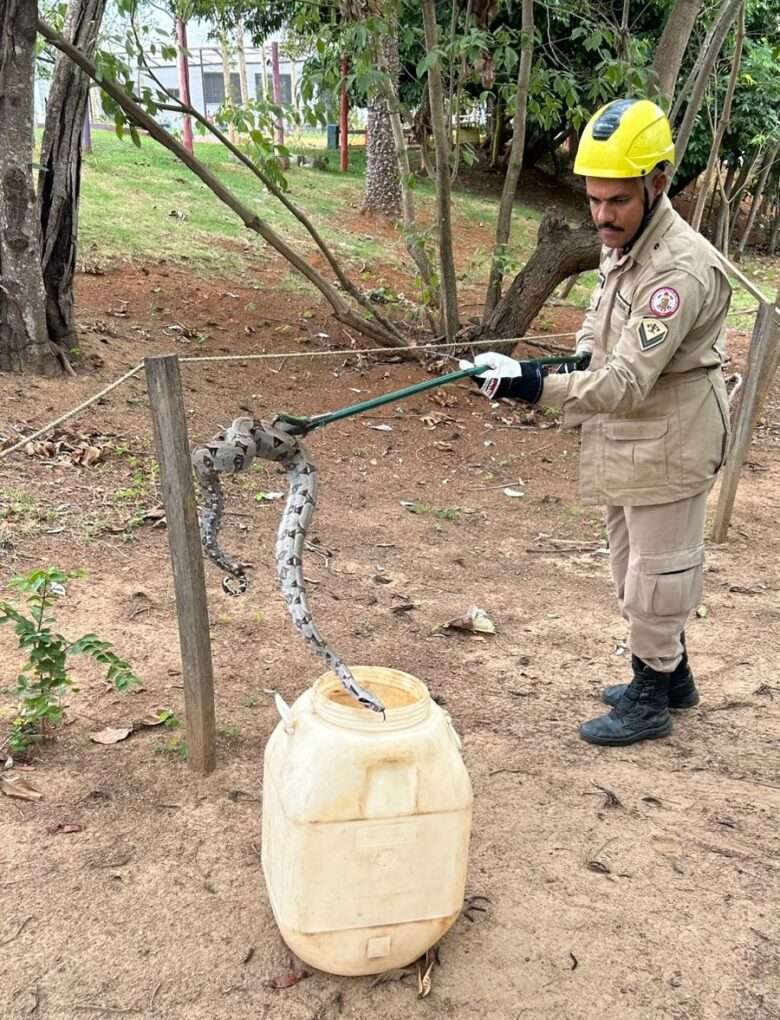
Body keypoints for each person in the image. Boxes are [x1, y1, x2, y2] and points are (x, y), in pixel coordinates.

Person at [461, 98, 732, 747]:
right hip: (630, 428)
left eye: (616, 201)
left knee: (657, 572)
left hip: (671, 433)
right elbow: (602, 324)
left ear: (658, 183)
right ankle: (673, 674)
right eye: (594, 199)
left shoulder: (679, 269)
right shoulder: (626, 241)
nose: (602, 215)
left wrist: (527, 385)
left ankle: (650, 698)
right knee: (628, 563)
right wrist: (563, 357)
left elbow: (628, 378)